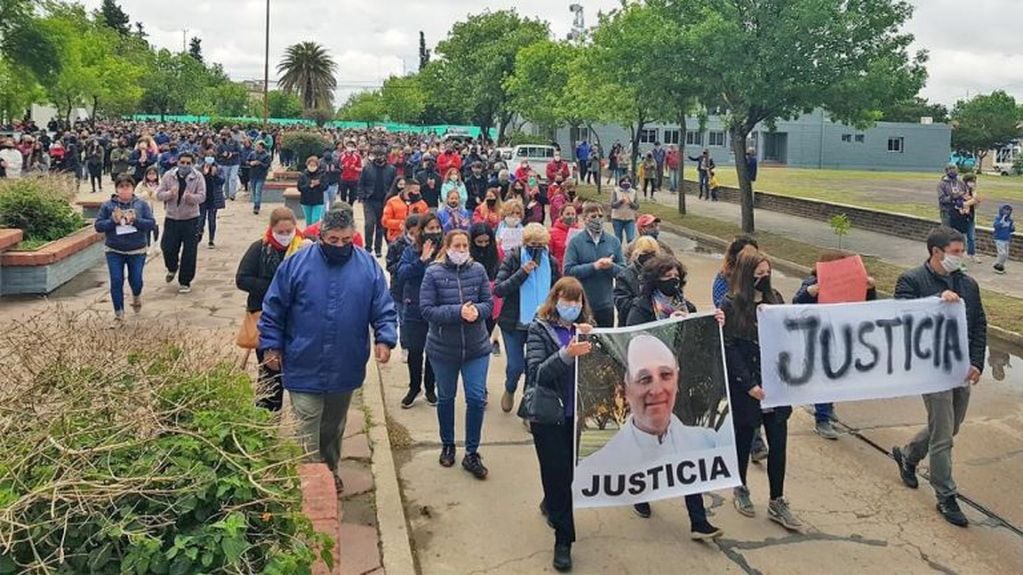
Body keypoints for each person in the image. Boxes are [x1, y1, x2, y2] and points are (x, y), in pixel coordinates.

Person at [259, 207, 398, 493]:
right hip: (302, 358)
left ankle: (330, 468)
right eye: (333, 240)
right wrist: (271, 345)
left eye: (346, 241)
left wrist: (385, 337)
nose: (339, 246)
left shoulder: (367, 267)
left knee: (332, 427)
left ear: (354, 237)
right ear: (321, 236)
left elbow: (383, 307)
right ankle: (309, 480)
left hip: (345, 363)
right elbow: (274, 308)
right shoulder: (296, 264)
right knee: (306, 423)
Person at [574, 334, 724, 533]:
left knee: (690, 466)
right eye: (644, 379)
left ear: (677, 381)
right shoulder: (598, 465)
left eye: (666, 375)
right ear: (626, 390)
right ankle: (641, 496)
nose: (657, 390)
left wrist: (720, 323)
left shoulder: (706, 442)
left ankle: (698, 521)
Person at [891, 227, 986, 527]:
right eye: (956, 252)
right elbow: (903, 320)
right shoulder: (911, 281)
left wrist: (976, 362)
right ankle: (946, 494)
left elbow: (979, 324)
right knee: (943, 436)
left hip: (960, 369)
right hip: (931, 369)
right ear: (936, 252)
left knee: (951, 427)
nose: (962, 257)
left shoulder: (968, 284)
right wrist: (936, 301)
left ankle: (908, 454)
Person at [721, 249, 802, 531]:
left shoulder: (775, 299)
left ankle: (776, 499)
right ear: (746, 275)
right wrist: (749, 384)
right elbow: (729, 348)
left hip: (776, 387)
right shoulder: (731, 304)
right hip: (748, 388)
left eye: (767, 274)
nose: (763, 279)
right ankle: (740, 486)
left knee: (778, 444)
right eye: (758, 275)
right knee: (743, 441)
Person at [525, 276, 595, 572]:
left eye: (577, 301)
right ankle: (563, 541)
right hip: (549, 416)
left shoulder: (587, 329)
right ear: (555, 300)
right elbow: (538, 372)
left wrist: (596, 339)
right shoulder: (539, 329)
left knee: (566, 475)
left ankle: (551, 502)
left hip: (578, 416)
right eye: (567, 300)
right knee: (557, 474)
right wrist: (566, 354)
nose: (572, 306)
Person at [420, 228, 494, 479]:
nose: (462, 250)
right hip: (443, 349)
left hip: (476, 348)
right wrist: (457, 312)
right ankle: (448, 444)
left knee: (475, 398)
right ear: (447, 247)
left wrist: (478, 312)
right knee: (446, 398)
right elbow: (427, 309)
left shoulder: (478, 271)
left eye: (465, 246)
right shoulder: (433, 273)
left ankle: (472, 452)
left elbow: (488, 303)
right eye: (457, 246)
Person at [791, 251, 878, 439]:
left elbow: (868, 306)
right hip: (819, 339)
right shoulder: (812, 283)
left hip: (842, 337)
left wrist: (870, 289)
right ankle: (822, 418)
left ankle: (827, 409)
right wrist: (809, 293)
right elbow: (796, 304)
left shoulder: (853, 283)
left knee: (835, 376)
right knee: (825, 377)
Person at [236, 207, 304, 412]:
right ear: (272, 229)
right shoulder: (260, 249)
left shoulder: (304, 248)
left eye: (288, 232)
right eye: (280, 232)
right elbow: (242, 279)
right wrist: (274, 288)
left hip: (296, 318)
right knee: (270, 370)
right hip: (266, 317)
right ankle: (266, 417)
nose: (285, 236)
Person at [494, 223, 561, 413]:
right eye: (532, 244)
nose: (536, 249)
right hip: (514, 322)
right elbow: (499, 289)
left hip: (541, 324)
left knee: (534, 369)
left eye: (540, 245)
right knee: (515, 366)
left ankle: (528, 406)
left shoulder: (552, 262)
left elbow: (558, 290)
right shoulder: (513, 257)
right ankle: (509, 388)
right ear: (524, 242)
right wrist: (523, 272)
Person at [396, 214, 442, 408]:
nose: (434, 232)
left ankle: (430, 388)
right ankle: (414, 387)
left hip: (437, 307)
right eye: (430, 228)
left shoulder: (444, 250)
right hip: (414, 305)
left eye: (437, 228)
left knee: (433, 351)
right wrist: (421, 260)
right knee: (415, 350)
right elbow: (401, 274)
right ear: (422, 231)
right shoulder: (410, 251)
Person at [94, 175, 156, 321]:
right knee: (116, 280)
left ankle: (136, 295)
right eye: (121, 187)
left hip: (137, 249)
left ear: (133, 188)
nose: (124, 190)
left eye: (127, 186)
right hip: (114, 249)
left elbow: (151, 223)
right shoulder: (108, 205)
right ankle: (119, 313)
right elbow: (98, 226)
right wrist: (112, 221)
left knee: (136, 280)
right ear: (116, 189)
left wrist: (135, 220)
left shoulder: (141, 204)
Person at [563, 202, 625, 328]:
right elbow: (568, 271)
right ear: (584, 219)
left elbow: (624, 272)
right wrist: (594, 266)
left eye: (600, 216)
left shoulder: (613, 241)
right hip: (582, 303)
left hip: (605, 304)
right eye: (593, 216)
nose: (597, 219)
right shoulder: (576, 242)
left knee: (605, 343)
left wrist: (610, 266)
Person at [155, 152, 206, 294]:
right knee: (167, 246)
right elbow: (158, 194)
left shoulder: (197, 177)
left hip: (190, 218)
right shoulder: (168, 176)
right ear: (177, 162)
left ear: (192, 164)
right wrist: (169, 194)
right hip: (172, 218)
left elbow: (202, 196)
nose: (185, 165)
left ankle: (185, 280)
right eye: (182, 162)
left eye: (188, 163)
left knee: (189, 251)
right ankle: (172, 267)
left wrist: (191, 198)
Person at [613, 236, 661, 324]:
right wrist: (644, 301)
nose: (649, 256)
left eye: (653, 253)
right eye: (645, 252)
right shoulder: (625, 275)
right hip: (632, 323)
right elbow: (621, 305)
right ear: (637, 253)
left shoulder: (661, 274)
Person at [359, 148, 397, 257]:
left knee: (381, 226)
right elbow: (361, 183)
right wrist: (362, 196)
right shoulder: (367, 168)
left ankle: (378, 248)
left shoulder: (391, 169)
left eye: (382, 155)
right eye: (377, 155)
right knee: (369, 224)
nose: (380, 157)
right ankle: (368, 246)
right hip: (370, 200)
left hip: (384, 201)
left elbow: (393, 185)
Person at [198, 149, 225, 249]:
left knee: (212, 220)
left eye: (211, 155)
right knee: (200, 219)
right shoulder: (200, 168)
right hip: (203, 197)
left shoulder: (218, 168)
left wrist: (215, 175)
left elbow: (222, 181)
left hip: (214, 198)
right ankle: (199, 232)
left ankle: (211, 239)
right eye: (207, 155)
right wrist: (204, 174)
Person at [549, 203, 579, 272]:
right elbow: (549, 255)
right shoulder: (552, 233)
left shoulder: (579, 232)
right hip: (558, 270)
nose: (571, 216)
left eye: (573, 214)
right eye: (568, 214)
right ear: (561, 216)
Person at [298, 155, 327, 224]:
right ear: (307, 165)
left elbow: (325, 187)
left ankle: (314, 234)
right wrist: (309, 185)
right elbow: (300, 187)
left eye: (314, 165)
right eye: (310, 165)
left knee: (315, 220)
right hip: (306, 201)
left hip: (318, 201)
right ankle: (308, 234)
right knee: (308, 221)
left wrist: (319, 184)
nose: (312, 167)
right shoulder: (303, 174)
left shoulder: (322, 174)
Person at [215, 129, 242, 201]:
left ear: (228, 135)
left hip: (234, 162)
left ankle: (232, 195)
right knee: (226, 179)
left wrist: (232, 154)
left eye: (224, 135)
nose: (223, 137)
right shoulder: (220, 144)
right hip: (225, 163)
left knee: (233, 178)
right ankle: (226, 194)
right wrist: (222, 155)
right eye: (222, 135)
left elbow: (240, 151)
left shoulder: (235, 142)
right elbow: (217, 154)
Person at [611, 177, 639, 244]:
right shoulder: (616, 191)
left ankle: (629, 252)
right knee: (618, 239)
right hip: (617, 218)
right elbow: (612, 205)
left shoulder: (633, 192)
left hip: (629, 219)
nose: (626, 183)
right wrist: (620, 201)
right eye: (624, 181)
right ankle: (618, 253)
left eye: (628, 181)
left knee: (631, 239)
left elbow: (637, 206)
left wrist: (630, 203)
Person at [247, 141, 272, 215]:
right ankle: (256, 203)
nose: (257, 148)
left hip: (261, 176)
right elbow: (247, 161)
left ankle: (256, 206)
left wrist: (259, 163)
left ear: (262, 147)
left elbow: (267, 166)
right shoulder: (252, 154)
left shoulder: (266, 156)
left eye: (258, 147)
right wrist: (250, 163)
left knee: (258, 191)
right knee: (254, 191)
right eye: (256, 146)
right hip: (252, 175)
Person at [338, 141, 363, 205]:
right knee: (343, 196)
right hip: (344, 178)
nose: (349, 147)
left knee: (353, 197)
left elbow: (361, 169)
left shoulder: (357, 156)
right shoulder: (342, 155)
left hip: (354, 179)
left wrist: (354, 168)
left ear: (354, 147)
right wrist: (342, 166)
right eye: (348, 146)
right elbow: (339, 166)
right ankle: (344, 207)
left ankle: (350, 208)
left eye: (351, 146)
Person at [992, 204, 1015, 274]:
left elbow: (1011, 229)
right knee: (1002, 253)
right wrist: (1001, 222)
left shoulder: (1010, 220)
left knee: (1006, 254)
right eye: (1005, 210)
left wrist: (1012, 227)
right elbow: (995, 226)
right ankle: (997, 265)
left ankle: (1000, 266)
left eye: (1008, 210)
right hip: (999, 239)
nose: (1007, 212)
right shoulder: (998, 218)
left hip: (1006, 239)